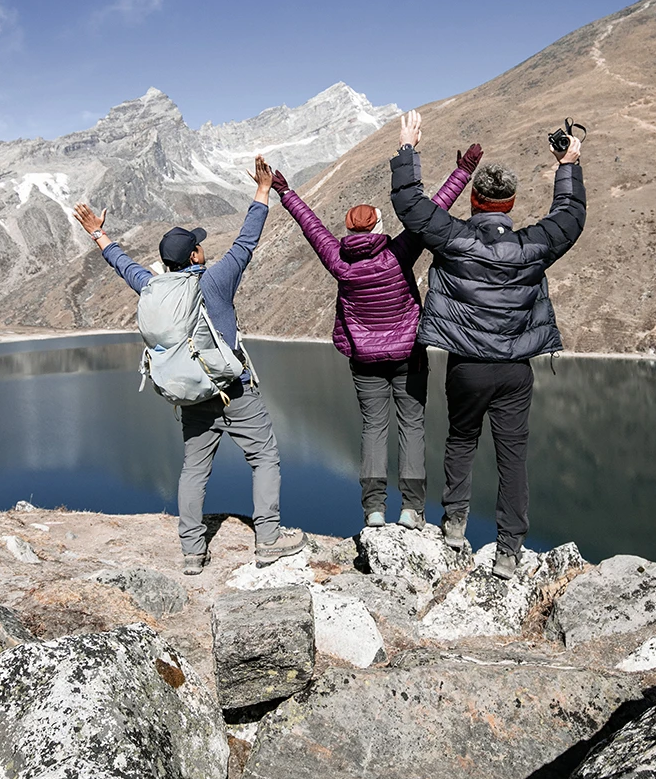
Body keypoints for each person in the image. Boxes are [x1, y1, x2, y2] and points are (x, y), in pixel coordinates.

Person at [73, 155, 303, 575]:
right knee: (265, 456)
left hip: (189, 392)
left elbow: (122, 264)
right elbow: (246, 240)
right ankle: (268, 540)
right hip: (233, 389)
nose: (203, 246)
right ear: (195, 255)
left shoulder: (151, 285)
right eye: (198, 243)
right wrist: (262, 191)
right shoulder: (214, 280)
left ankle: (192, 553)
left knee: (194, 468)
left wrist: (98, 234)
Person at [389, 109, 585, 579]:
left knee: (461, 439)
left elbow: (412, 206)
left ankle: (454, 525)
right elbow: (570, 215)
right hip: (516, 369)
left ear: (474, 199)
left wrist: (408, 149)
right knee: (512, 455)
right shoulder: (532, 246)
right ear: (512, 202)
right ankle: (509, 551)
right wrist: (569, 164)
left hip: (467, 367)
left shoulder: (454, 239)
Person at [270, 131, 482, 529]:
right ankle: (413, 510)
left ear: (349, 232)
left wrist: (285, 191)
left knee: (372, 429)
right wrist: (463, 171)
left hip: (364, 360)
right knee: (413, 426)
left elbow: (310, 225)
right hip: (409, 356)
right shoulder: (399, 251)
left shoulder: (339, 260)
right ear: (380, 226)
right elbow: (433, 210)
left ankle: (373, 509)